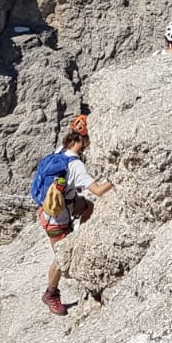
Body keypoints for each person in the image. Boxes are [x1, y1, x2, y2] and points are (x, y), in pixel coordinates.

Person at [39, 128, 115, 315]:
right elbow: (97, 190)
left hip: (55, 207)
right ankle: (51, 294)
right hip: (57, 219)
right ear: (83, 139)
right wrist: (116, 179)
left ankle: (81, 236)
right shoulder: (75, 165)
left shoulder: (60, 151)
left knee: (88, 206)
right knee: (61, 259)